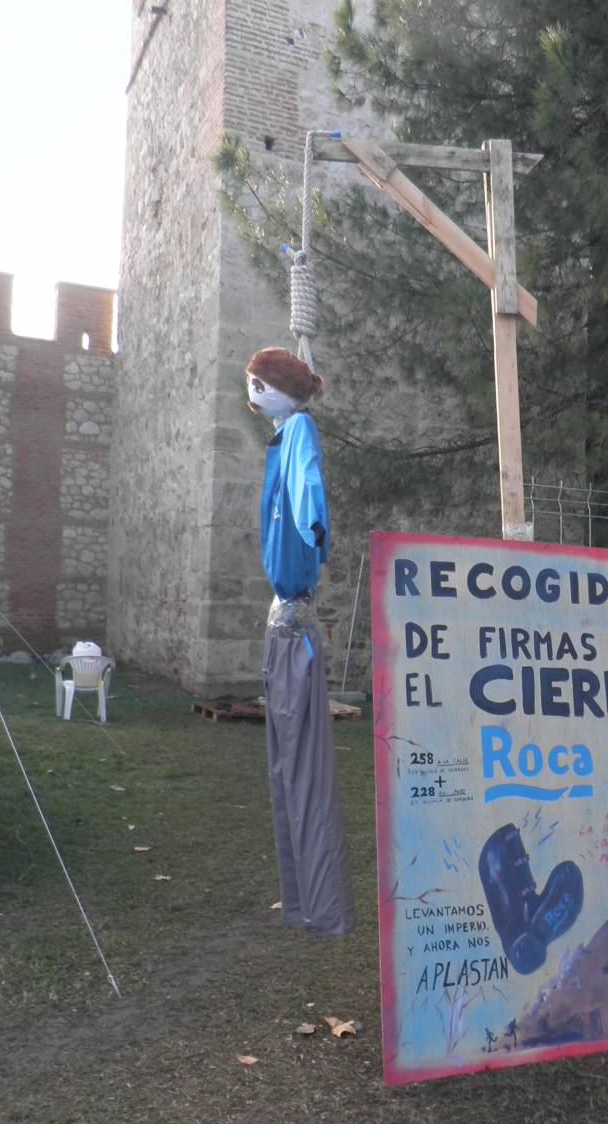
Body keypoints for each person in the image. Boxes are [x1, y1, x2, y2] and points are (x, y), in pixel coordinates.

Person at [247, 347, 353, 937]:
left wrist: (313, 527)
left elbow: (308, 482)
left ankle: (323, 908)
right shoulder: (285, 435)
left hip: (293, 629)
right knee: (288, 770)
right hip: (282, 628)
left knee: (304, 771)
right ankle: (306, 904)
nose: (253, 392)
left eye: (261, 383)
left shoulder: (300, 431)